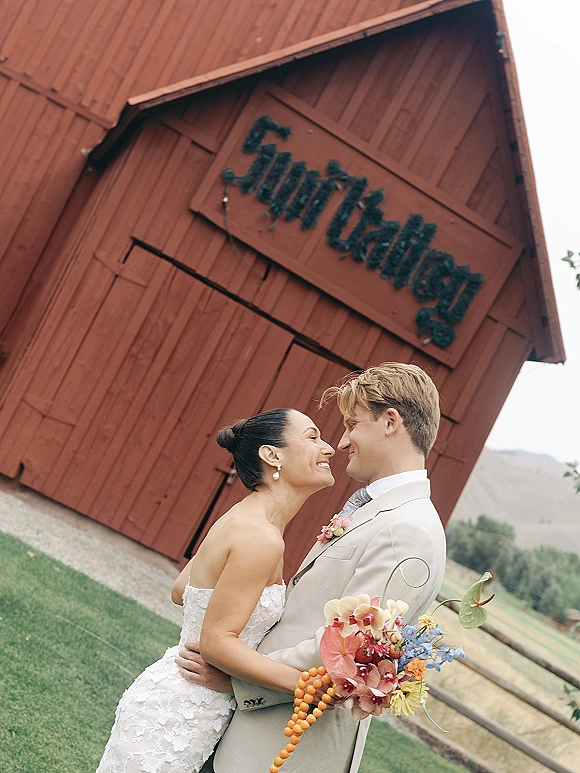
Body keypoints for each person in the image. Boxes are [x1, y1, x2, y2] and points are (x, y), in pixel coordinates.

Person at [177, 362, 447, 773]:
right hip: (261, 735)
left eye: (353, 424)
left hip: (287, 748)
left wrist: (237, 680)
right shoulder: (380, 513)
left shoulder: (409, 530)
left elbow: (346, 651)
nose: (341, 442)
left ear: (390, 421)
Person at [96, 408, 335, 773]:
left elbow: (181, 590)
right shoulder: (260, 536)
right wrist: (308, 685)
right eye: (313, 437)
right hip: (178, 717)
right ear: (272, 455)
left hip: (176, 696)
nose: (330, 448)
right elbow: (217, 642)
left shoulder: (242, 517)